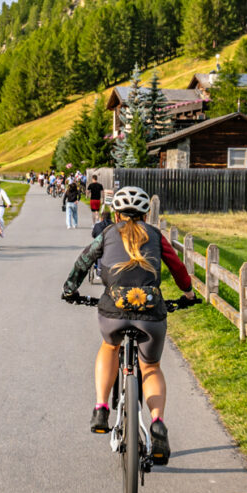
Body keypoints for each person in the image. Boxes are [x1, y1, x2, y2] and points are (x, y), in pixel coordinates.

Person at [61, 185, 195, 464]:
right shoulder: (156, 236)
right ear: (146, 213)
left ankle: (101, 409)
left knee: (110, 347)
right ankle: (157, 423)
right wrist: (188, 293)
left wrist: (70, 289)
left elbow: (84, 260)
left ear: (117, 213)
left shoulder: (108, 233)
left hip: (114, 310)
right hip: (151, 312)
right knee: (151, 366)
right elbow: (178, 268)